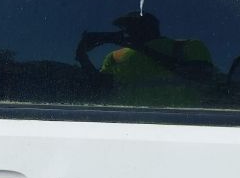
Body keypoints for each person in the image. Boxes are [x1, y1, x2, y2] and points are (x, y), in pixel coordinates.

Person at [76, 11, 214, 107]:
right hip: (123, 126)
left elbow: (203, 77)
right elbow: (99, 87)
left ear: (151, 28)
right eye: (124, 28)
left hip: (183, 126)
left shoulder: (188, 47)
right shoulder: (115, 57)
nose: (127, 31)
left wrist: (140, 47)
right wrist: (82, 57)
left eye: (134, 26)